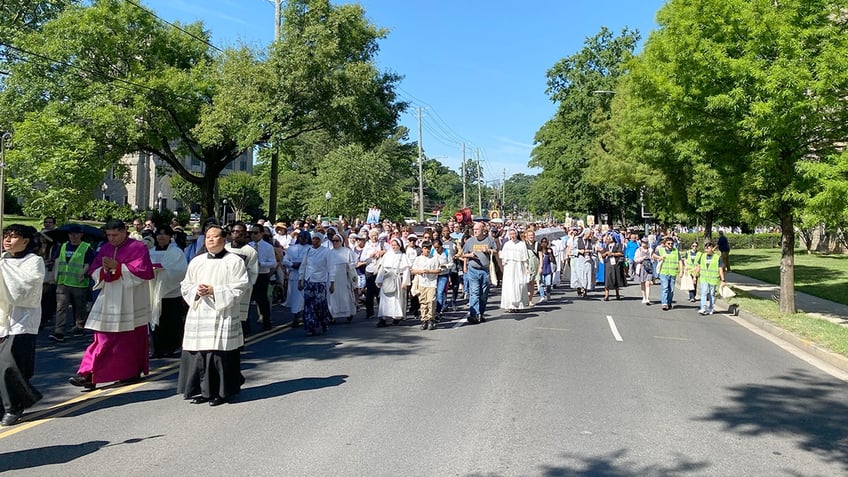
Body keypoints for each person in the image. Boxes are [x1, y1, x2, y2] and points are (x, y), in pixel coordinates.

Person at [68, 219, 154, 390]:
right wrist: (105, 270)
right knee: (102, 338)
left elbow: (143, 272)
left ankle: (129, 372)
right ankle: (88, 373)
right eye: (108, 235)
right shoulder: (106, 248)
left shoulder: (138, 248)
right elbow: (94, 270)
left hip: (131, 299)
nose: (112, 239)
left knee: (129, 341)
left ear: (125, 231)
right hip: (109, 298)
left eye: (115, 235)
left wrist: (119, 267)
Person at [177, 225, 250, 406]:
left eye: (214, 236)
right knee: (199, 353)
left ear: (223, 239)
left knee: (219, 353)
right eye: (207, 237)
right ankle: (201, 390)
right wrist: (197, 290)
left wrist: (214, 291)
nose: (210, 240)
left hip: (222, 313)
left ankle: (221, 392)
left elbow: (240, 286)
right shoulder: (197, 261)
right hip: (200, 312)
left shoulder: (234, 261)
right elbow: (186, 284)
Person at [0, 225, 45, 426]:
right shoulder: (2, 260)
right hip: (1, 318)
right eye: (5, 236)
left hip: (21, 321)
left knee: (9, 364)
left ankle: (14, 406)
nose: (8, 240)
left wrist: (2, 270)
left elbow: (25, 290)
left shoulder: (34, 262)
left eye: (14, 237)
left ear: (26, 240)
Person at [49, 224, 95, 342]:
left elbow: (88, 263)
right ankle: (59, 331)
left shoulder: (86, 247)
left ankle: (79, 326)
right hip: (63, 282)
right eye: (71, 234)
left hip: (79, 283)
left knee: (80, 307)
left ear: (81, 235)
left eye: (76, 234)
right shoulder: (63, 246)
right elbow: (57, 261)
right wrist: (53, 276)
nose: (73, 236)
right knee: (61, 307)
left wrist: (83, 273)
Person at [149, 226, 188, 358]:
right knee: (155, 321)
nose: (161, 237)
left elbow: (180, 270)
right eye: (159, 234)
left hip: (171, 293)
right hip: (153, 292)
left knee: (171, 321)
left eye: (165, 234)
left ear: (170, 237)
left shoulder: (176, 252)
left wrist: (164, 271)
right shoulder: (151, 252)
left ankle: (172, 347)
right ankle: (157, 348)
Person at [298, 232, 335, 336]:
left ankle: (324, 323)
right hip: (308, 280)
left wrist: (332, 283)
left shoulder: (326, 251)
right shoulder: (308, 250)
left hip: (320, 281)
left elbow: (331, 268)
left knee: (319, 304)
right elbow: (303, 265)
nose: (314, 241)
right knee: (309, 305)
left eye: (317, 239)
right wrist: (300, 279)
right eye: (313, 239)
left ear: (321, 240)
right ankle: (310, 326)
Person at [461, 221, 498, 324]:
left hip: (485, 270)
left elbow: (496, 251)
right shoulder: (470, 241)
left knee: (483, 293)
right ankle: (474, 314)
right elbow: (463, 254)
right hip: (473, 270)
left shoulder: (489, 240)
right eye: (474, 229)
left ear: (483, 230)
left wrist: (488, 250)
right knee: (474, 292)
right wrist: (470, 255)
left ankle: (481, 313)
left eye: (477, 229)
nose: (475, 231)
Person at [225, 223, 258, 335]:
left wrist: (245, 286)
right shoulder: (225, 248)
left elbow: (252, 272)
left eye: (239, 232)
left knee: (239, 319)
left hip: (241, 289)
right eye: (233, 231)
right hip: (225, 287)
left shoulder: (250, 251)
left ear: (245, 234)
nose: (236, 234)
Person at [375, 237, 411, 327]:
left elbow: (406, 270)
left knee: (396, 299)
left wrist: (405, 282)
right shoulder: (387, 255)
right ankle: (383, 318)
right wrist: (379, 279)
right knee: (385, 299)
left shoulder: (403, 256)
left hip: (396, 278)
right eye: (392, 245)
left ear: (399, 246)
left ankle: (396, 318)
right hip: (386, 278)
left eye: (395, 245)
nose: (394, 247)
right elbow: (382, 268)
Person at [249, 224, 276, 331]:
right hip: (250, 275)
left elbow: (273, 263)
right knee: (248, 299)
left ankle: (266, 321)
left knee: (262, 299)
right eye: (252, 233)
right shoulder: (248, 246)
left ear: (261, 234)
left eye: (256, 233)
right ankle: (246, 324)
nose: (253, 235)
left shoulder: (268, 247)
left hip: (262, 275)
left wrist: (262, 264)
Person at [410, 241, 440, 330]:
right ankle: (424, 319)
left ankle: (431, 319)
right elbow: (413, 271)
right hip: (421, 283)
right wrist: (420, 271)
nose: (427, 250)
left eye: (429, 249)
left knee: (431, 301)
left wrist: (429, 271)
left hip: (431, 283)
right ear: (422, 249)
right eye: (425, 248)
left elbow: (438, 270)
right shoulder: (418, 259)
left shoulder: (434, 259)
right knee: (423, 302)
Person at [328, 231, 357, 323]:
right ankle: (332, 315)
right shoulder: (329, 253)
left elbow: (355, 262)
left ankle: (349, 313)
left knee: (346, 295)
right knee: (333, 296)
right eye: (333, 241)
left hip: (344, 277)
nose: (335, 242)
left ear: (341, 241)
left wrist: (349, 266)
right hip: (333, 278)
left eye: (337, 241)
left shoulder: (347, 251)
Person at [499, 227, 529, 312]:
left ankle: (518, 305)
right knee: (509, 286)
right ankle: (510, 305)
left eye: (514, 234)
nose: (512, 236)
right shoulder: (507, 244)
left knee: (519, 285)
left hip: (519, 267)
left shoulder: (522, 244)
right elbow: (503, 258)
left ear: (516, 234)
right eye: (511, 234)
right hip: (509, 268)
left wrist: (526, 268)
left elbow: (525, 258)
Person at [282, 230, 308, 326]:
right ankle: (296, 316)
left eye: (305, 237)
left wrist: (301, 265)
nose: (302, 239)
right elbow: (285, 261)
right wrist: (292, 264)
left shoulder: (310, 248)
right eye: (300, 237)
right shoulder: (291, 249)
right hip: (294, 275)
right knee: (295, 298)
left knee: (304, 297)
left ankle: (306, 315)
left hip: (305, 275)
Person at [693, 241, 726, 315]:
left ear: (712, 248)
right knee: (703, 293)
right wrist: (695, 276)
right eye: (705, 249)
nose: (706, 250)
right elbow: (698, 266)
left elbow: (720, 269)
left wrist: (723, 280)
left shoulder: (717, 257)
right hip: (704, 278)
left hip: (713, 279)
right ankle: (703, 308)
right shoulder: (702, 256)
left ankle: (711, 308)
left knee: (711, 294)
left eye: (708, 248)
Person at [652, 236, 684, 311]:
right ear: (665, 244)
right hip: (664, 272)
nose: (670, 245)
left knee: (671, 289)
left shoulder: (675, 251)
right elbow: (653, 254)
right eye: (668, 243)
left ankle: (669, 303)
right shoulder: (661, 250)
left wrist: (681, 271)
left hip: (673, 273)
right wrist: (659, 257)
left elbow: (680, 261)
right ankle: (664, 303)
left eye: (672, 243)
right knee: (665, 287)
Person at [601, 234, 626, 301]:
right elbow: (602, 255)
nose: (606, 240)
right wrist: (606, 253)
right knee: (608, 278)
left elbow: (621, 253)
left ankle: (617, 293)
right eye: (606, 239)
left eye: (608, 238)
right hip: (608, 263)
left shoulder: (617, 245)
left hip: (616, 263)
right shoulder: (605, 246)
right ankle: (606, 295)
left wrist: (613, 254)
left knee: (616, 278)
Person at [634, 238, 654, 305]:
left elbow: (653, 258)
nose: (644, 244)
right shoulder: (638, 250)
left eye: (646, 242)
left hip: (649, 268)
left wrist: (651, 260)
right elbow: (635, 259)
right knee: (642, 283)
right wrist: (642, 258)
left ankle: (648, 298)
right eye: (643, 242)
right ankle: (644, 297)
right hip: (641, 267)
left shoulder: (650, 250)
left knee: (648, 283)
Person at [524, 229, 539, 304]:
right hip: (526, 263)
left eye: (532, 235)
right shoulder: (524, 244)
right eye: (529, 235)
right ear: (526, 236)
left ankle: (530, 300)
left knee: (532, 283)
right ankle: (524, 298)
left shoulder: (537, 244)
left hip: (534, 263)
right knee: (525, 282)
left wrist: (540, 267)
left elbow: (540, 256)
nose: (531, 237)